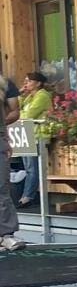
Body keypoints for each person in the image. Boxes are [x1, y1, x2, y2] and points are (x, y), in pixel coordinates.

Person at [16, 71, 50, 208]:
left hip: (37, 135)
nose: (26, 83)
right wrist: (20, 95)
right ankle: (28, 195)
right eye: (25, 81)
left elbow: (29, 114)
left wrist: (17, 115)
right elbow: (14, 109)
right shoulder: (29, 96)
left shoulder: (42, 95)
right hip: (26, 134)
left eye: (29, 81)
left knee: (32, 167)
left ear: (38, 83)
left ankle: (27, 196)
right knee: (27, 167)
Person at [0, 72, 20, 251]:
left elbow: (10, 114)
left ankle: (7, 235)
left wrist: (6, 140)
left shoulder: (4, 84)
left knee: (2, 188)